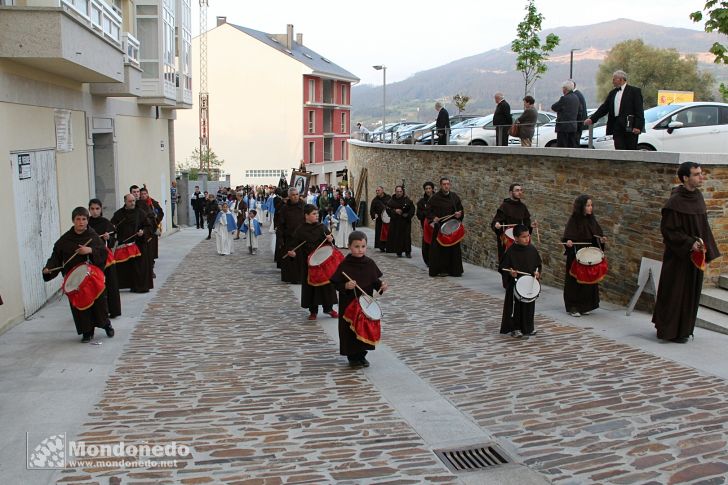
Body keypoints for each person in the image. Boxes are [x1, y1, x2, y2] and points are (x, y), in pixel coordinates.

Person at [652, 162, 720, 343]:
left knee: (691, 293)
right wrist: (690, 244)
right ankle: (668, 331)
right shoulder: (674, 202)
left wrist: (706, 250)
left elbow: (703, 226)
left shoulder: (698, 196)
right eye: (697, 174)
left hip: (696, 258)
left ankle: (683, 331)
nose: (701, 177)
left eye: (701, 173)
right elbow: (669, 231)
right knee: (674, 293)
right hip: (678, 257)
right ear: (685, 178)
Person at [43, 207, 114, 342]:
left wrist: (90, 250)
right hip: (74, 280)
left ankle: (106, 325)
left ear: (87, 221)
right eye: (78, 219)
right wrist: (48, 269)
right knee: (80, 307)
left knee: (99, 304)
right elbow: (56, 258)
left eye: (84, 219)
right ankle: (87, 332)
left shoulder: (92, 236)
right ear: (73, 221)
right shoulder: (64, 240)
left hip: (92, 277)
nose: (81, 222)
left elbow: (103, 252)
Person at [330, 231, 388, 368]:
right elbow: (334, 283)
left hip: (365, 304)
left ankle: (362, 355)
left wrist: (381, 286)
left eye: (363, 246)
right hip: (348, 304)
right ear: (349, 246)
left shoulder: (370, 263)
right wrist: (345, 285)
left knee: (364, 329)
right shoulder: (345, 265)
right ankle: (353, 357)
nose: (360, 250)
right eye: (356, 246)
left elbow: (375, 281)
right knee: (350, 331)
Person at [287, 204, 339, 321]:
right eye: (314, 214)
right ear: (306, 216)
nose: (317, 216)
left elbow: (330, 242)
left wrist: (331, 240)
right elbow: (293, 246)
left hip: (322, 262)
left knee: (326, 286)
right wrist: (292, 254)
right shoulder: (300, 230)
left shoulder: (321, 227)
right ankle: (313, 311)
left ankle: (328, 308)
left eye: (317, 214)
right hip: (308, 263)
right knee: (311, 287)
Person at [562, 195, 607, 317]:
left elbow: (597, 236)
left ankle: (585, 306)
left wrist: (601, 240)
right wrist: (569, 242)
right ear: (581, 206)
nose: (590, 208)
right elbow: (567, 238)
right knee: (575, 282)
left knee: (589, 283)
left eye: (591, 205)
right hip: (577, 254)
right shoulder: (574, 220)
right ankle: (573, 307)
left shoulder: (592, 220)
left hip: (589, 254)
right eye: (588, 205)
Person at [498, 224, 542, 338]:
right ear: (516, 238)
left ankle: (528, 328)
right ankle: (515, 328)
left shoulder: (532, 249)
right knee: (516, 308)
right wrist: (510, 273)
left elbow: (538, 265)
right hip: (515, 284)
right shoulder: (510, 251)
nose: (527, 239)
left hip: (529, 284)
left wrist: (537, 273)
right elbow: (503, 267)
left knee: (529, 307)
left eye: (528, 236)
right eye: (524, 237)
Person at [583, 69, 645, 150]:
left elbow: (639, 110)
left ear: (621, 79)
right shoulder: (612, 93)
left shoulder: (634, 91)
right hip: (616, 126)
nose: (612, 81)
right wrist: (592, 119)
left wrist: (638, 126)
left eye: (614, 79)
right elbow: (604, 108)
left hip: (630, 126)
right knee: (619, 148)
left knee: (630, 149)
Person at [110, 194, 154, 293]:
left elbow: (148, 226)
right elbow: (112, 227)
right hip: (124, 245)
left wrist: (143, 232)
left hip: (138, 245)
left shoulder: (141, 213)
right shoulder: (118, 214)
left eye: (134, 201)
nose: (132, 203)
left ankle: (140, 287)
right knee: (125, 268)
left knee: (139, 267)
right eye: (130, 201)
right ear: (125, 201)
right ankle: (126, 285)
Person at [88, 199, 121, 319]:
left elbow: (113, 240)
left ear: (101, 209)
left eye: (97, 209)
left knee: (110, 283)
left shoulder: (106, 223)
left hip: (106, 257)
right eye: (92, 209)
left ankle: (113, 310)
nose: (95, 211)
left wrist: (108, 238)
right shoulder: (87, 223)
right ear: (89, 210)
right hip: (91, 258)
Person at [427, 177, 464, 277]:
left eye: (448, 184)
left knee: (454, 250)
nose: (446, 186)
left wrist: (458, 214)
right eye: (444, 184)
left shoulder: (454, 197)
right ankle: (441, 270)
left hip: (452, 228)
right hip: (440, 228)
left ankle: (454, 270)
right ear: (440, 185)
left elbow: (460, 210)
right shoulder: (434, 198)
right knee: (439, 250)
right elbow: (428, 211)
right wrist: (433, 218)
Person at [491, 183, 536, 263]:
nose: (520, 192)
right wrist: (497, 225)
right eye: (517, 190)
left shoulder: (523, 207)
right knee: (509, 262)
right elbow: (496, 222)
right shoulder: (504, 206)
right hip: (507, 239)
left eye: (521, 190)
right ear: (511, 193)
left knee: (520, 261)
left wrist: (530, 226)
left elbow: (526, 224)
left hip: (520, 238)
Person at [278, 187, 306, 283]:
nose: (295, 196)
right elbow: (281, 225)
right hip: (289, 237)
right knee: (291, 260)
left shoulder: (303, 206)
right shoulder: (284, 208)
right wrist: (280, 239)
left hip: (302, 238)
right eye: (293, 195)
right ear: (289, 196)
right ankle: (291, 278)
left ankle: (301, 278)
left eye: (297, 194)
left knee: (301, 260)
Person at [139, 187, 163, 277]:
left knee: (152, 249)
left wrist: (156, 220)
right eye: (142, 194)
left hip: (152, 229)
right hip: (143, 230)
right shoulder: (138, 204)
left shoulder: (153, 203)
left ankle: (151, 266)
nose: (144, 195)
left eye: (145, 194)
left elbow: (161, 212)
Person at [385, 185, 414, 258]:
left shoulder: (407, 200)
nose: (399, 193)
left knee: (406, 237)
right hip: (396, 222)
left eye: (400, 191)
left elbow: (412, 209)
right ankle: (399, 251)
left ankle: (408, 252)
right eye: (397, 191)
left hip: (405, 222)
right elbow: (388, 210)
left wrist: (407, 215)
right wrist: (395, 211)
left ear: (402, 192)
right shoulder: (391, 201)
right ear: (395, 192)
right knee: (397, 236)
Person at [551, 80, 580, 148]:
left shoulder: (564, 98)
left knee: (562, 147)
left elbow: (554, 107)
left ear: (565, 89)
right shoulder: (576, 98)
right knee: (571, 146)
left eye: (563, 88)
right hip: (573, 126)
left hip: (563, 127)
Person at [416, 182, 435, 266]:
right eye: (426, 189)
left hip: (435, 224)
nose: (428, 190)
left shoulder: (437, 199)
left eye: (429, 188)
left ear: (432, 189)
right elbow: (419, 214)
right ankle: (428, 260)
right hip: (426, 225)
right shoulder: (421, 201)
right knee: (427, 242)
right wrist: (426, 213)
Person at [370, 186, 391, 252]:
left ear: (382, 190)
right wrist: (374, 214)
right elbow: (372, 210)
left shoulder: (389, 198)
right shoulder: (375, 200)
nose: (377, 192)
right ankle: (381, 246)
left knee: (388, 233)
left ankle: (388, 246)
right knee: (380, 233)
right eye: (376, 190)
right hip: (379, 220)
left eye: (378, 190)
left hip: (388, 220)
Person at [572, 80, 588, 145]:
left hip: (578, 124)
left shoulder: (575, 95)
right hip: (579, 123)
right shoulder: (577, 94)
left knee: (575, 142)